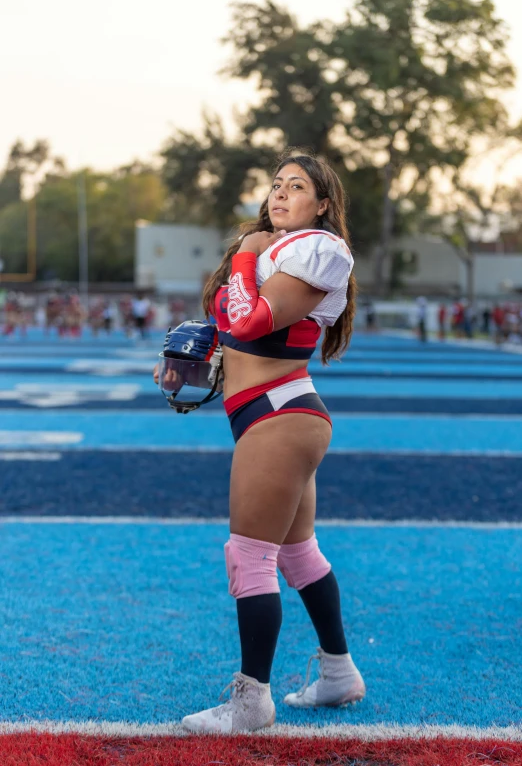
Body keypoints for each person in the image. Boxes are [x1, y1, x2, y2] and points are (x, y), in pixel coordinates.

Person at [154, 153, 365, 733]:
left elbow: (250, 322)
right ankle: (339, 672)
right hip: (265, 410)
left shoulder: (318, 248)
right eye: (276, 184)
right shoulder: (273, 249)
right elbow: (239, 347)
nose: (280, 193)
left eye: (296, 186)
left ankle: (251, 702)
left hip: (281, 413)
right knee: (297, 554)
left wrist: (245, 254)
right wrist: (188, 369)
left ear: (322, 204)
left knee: (249, 556)